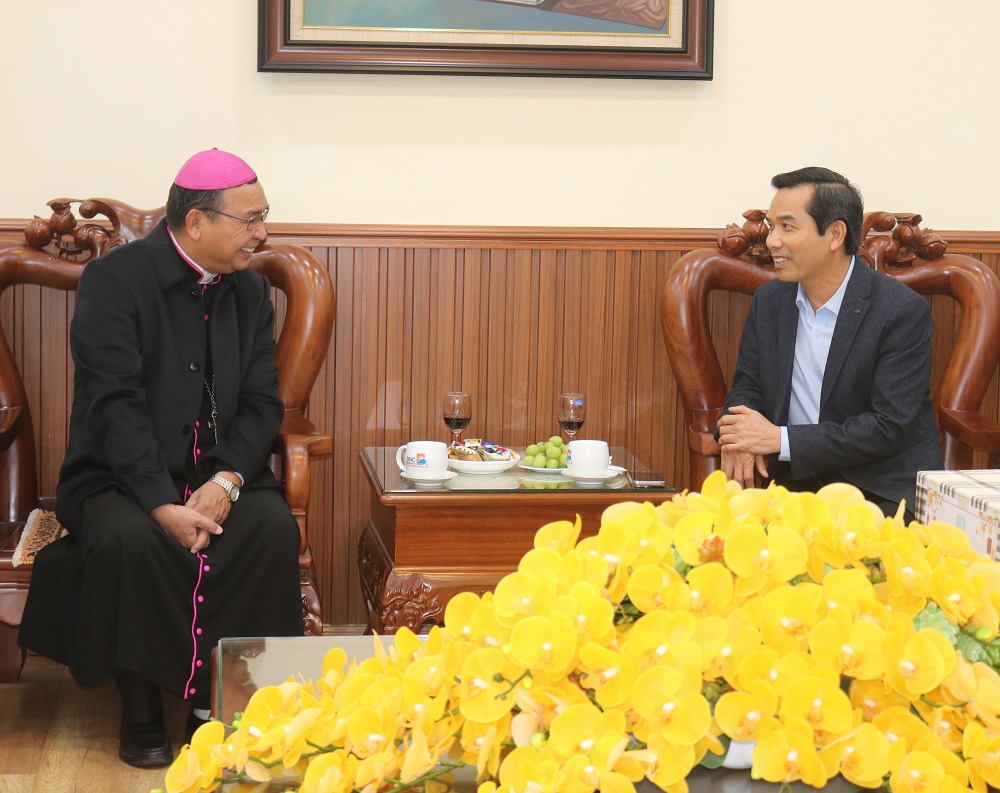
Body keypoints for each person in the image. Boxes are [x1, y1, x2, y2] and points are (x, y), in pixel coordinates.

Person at [17, 149, 304, 768]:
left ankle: (220, 701)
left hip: (220, 472)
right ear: (196, 222)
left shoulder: (251, 292)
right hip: (119, 475)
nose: (262, 233)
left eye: (264, 216)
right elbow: (114, 406)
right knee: (134, 539)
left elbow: (262, 404)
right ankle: (142, 707)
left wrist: (227, 482)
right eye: (250, 219)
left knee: (269, 528)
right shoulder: (114, 282)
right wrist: (159, 503)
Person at [716, 166, 943, 518]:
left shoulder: (900, 311)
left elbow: (888, 426)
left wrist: (779, 439)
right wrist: (738, 436)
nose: (772, 240)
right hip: (792, 483)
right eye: (772, 226)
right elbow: (748, 387)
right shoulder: (770, 301)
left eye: (787, 226)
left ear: (835, 234)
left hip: (878, 487)